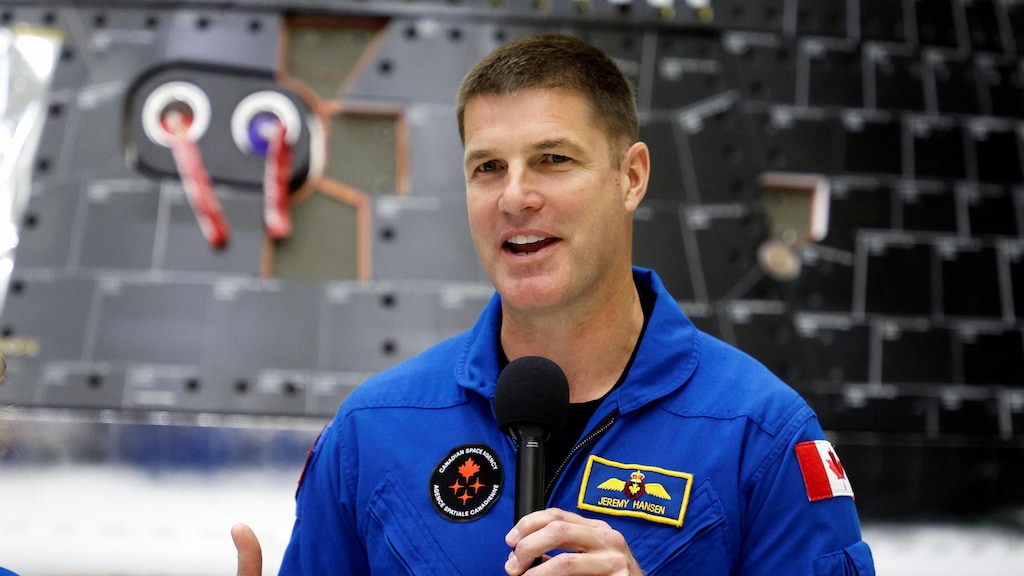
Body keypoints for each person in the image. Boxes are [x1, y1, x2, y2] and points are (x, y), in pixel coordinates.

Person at [235, 33, 875, 575]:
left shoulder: (759, 439)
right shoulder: (372, 431)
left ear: (631, 177)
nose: (515, 197)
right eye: (488, 168)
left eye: (553, 159)